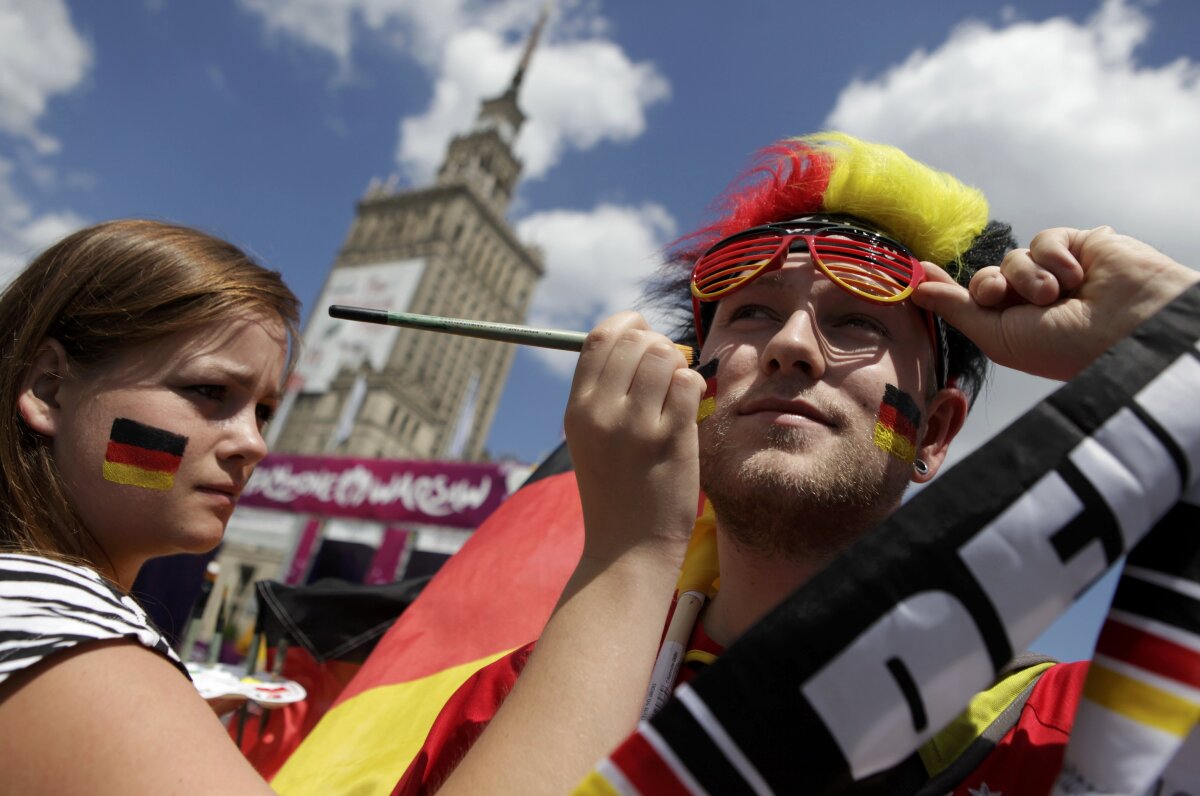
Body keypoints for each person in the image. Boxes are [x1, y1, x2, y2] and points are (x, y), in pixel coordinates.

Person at [395, 133, 1199, 795]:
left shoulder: (1063, 732)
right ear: (689, 381)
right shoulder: (511, 707)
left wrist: (1180, 335)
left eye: (857, 324)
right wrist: (628, 558)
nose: (789, 347)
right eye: (750, 312)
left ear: (934, 431)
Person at [0, 219, 300, 794]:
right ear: (49, 388)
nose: (254, 443)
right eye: (209, 391)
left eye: (263, 410)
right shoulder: (54, 620)